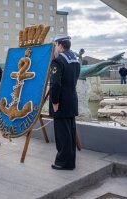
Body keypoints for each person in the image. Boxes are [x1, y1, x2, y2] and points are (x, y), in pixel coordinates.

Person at [49, 35, 80, 170]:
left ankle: (63, 162)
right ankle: (70, 161)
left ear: (60, 45)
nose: (55, 47)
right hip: (72, 99)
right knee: (70, 133)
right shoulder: (75, 60)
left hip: (61, 102)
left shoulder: (58, 61)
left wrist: (55, 101)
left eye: (56, 45)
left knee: (62, 135)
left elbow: (55, 84)